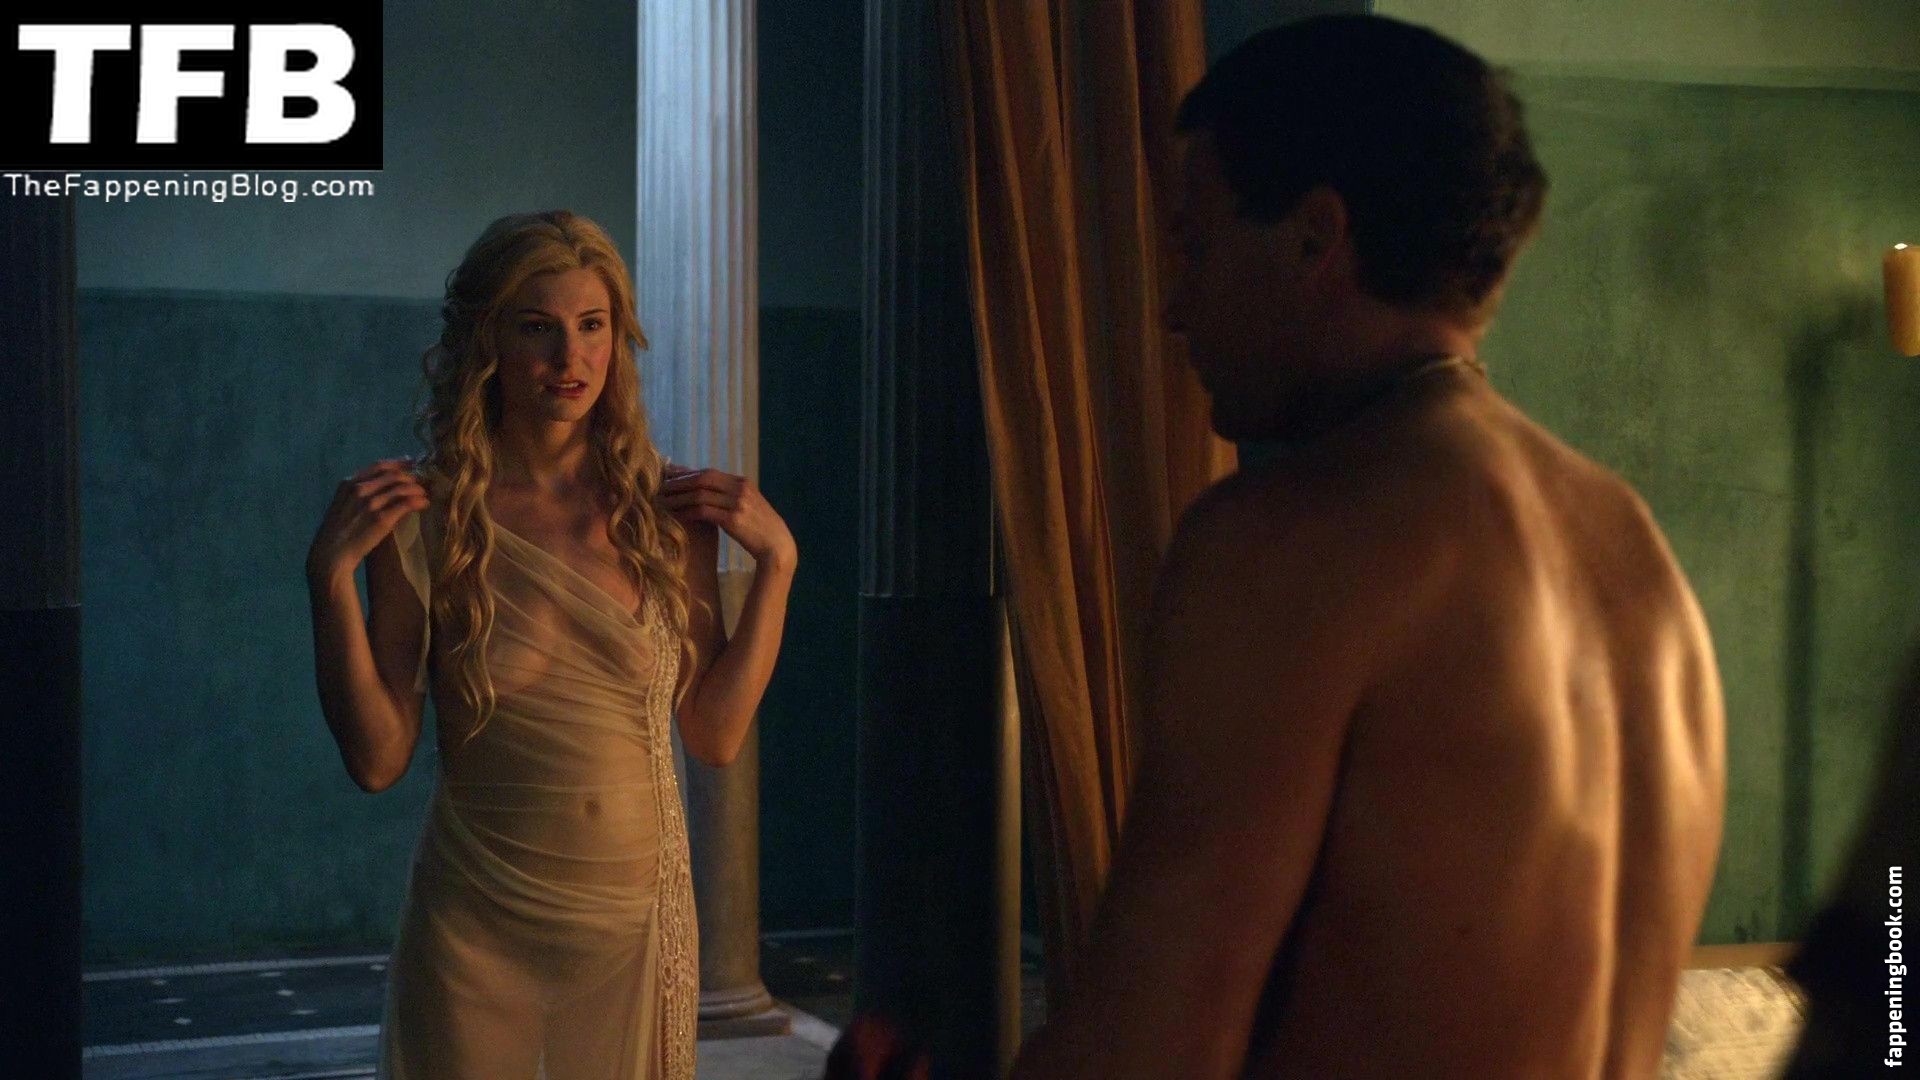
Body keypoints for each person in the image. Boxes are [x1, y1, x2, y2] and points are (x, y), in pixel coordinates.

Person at [833, 14, 1725, 1080]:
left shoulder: (1297, 538)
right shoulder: (1636, 557)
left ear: (1313, 236)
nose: (1173, 306)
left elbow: (1157, 1047)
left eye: (1196, 244)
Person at [304, 210, 796, 1080]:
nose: (571, 357)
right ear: (488, 341)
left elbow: (714, 735)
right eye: (538, 328)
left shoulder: (665, 512)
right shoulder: (425, 518)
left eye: (592, 326)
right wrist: (328, 582)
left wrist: (779, 567)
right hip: (473, 918)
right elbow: (377, 760)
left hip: (631, 919)